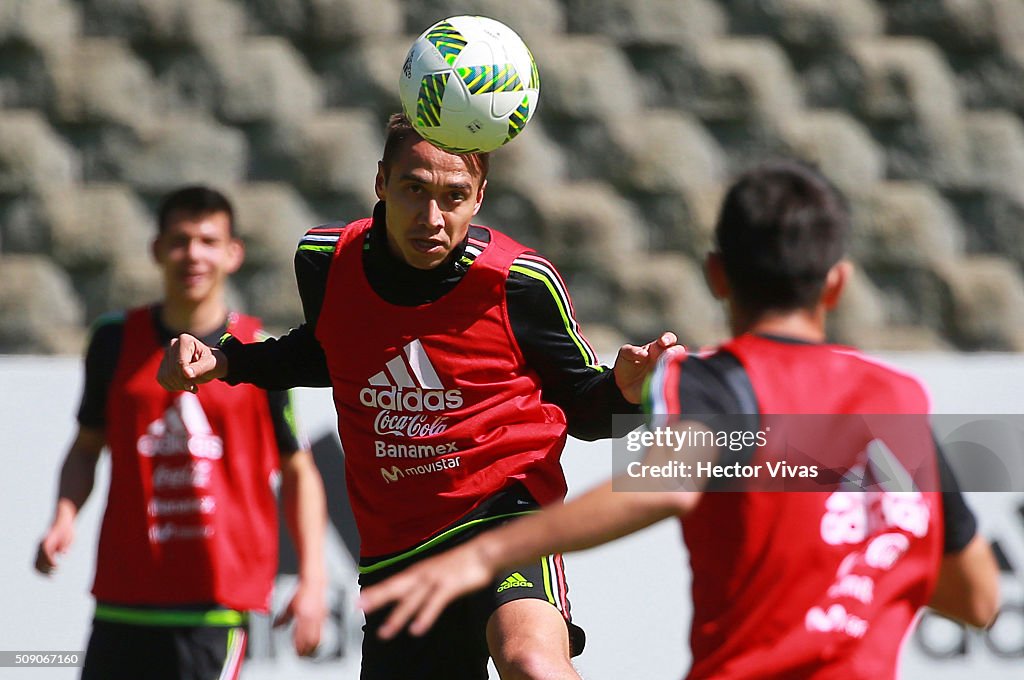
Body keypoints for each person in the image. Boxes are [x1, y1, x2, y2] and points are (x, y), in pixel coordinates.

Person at [359, 160, 1002, 678]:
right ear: (836, 283)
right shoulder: (899, 404)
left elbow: (672, 477)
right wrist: (862, 572)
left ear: (717, 277)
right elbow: (977, 599)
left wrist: (491, 552)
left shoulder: (718, 383)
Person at [157, 113, 677, 680]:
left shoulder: (520, 281)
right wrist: (228, 359)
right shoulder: (326, 261)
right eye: (413, 189)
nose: (432, 218)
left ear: (479, 197)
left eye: (454, 196)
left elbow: (584, 406)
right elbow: (329, 350)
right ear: (380, 181)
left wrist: (626, 392)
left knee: (531, 661)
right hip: (396, 549)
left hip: (504, 515)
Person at [35, 186, 329, 680]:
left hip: (216, 606)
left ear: (233, 253)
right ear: (156, 250)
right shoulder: (112, 340)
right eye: (180, 240)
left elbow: (298, 470)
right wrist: (64, 515)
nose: (193, 254)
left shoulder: (258, 352)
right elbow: (87, 447)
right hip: (123, 599)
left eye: (208, 241)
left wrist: (313, 578)